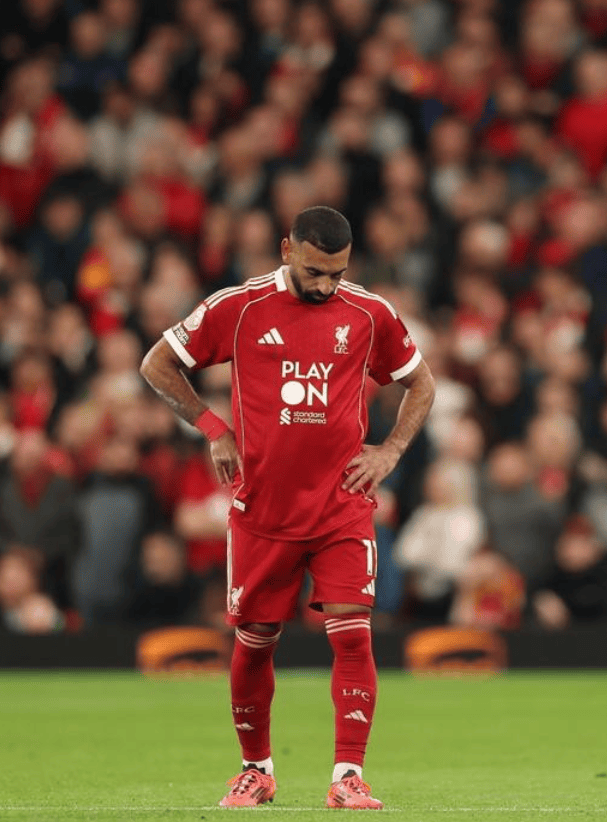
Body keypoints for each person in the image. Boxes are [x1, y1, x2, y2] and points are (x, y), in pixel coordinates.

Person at [140, 206, 435, 809]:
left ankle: (348, 777)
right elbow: (157, 363)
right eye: (314, 272)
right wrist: (214, 429)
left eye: (337, 273)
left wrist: (390, 451)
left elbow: (421, 383)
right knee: (255, 641)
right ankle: (257, 770)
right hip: (263, 509)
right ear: (286, 250)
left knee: (353, 634)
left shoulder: (368, 313)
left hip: (341, 504)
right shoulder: (239, 306)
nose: (326, 286)